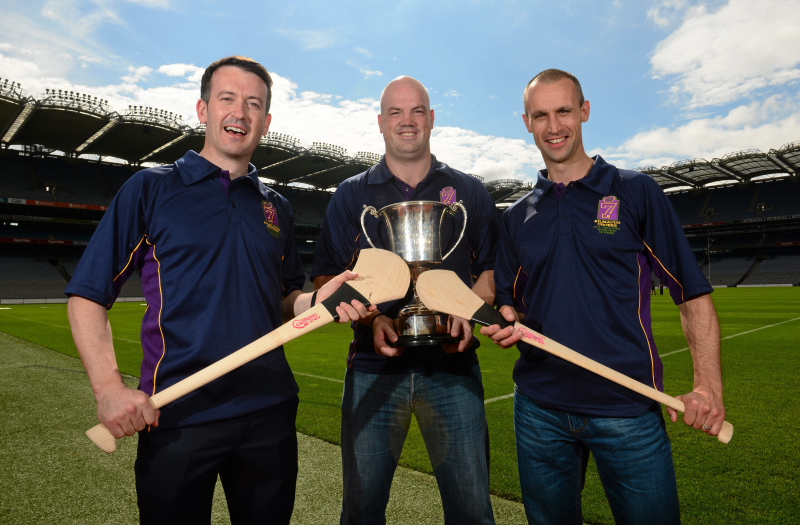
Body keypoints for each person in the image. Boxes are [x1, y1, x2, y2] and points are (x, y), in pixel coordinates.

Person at [66, 56, 370, 525]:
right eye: (227, 98)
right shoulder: (149, 189)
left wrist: (319, 302)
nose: (240, 113)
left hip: (269, 413)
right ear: (203, 109)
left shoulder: (278, 207)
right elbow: (88, 294)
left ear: (266, 122)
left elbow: (285, 301)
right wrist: (107, 387)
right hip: (177, 414)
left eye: (254, 104)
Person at [482, 69, 726, 524]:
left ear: (585, 112)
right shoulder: (516, 216)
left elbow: (691, 293)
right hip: (539, 410)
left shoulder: (636, 191)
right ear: (526, 122)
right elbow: (508, 300)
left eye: (563, 112)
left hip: (626, 408)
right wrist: (506, 316)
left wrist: (708, 385)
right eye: (540, 115)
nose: (553, 127)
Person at [311, 76, 499, 525]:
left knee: (473, 510)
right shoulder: (351, 194)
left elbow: (491, 270)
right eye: (395, 112)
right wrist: (370, 319)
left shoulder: (469, 191)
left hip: (455, 369)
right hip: (373, 372)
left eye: (417, 111)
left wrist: (467, 313)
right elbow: (324, 275)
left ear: (431, 118)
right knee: (361, 510)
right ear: (381, 122)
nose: (407, 121)